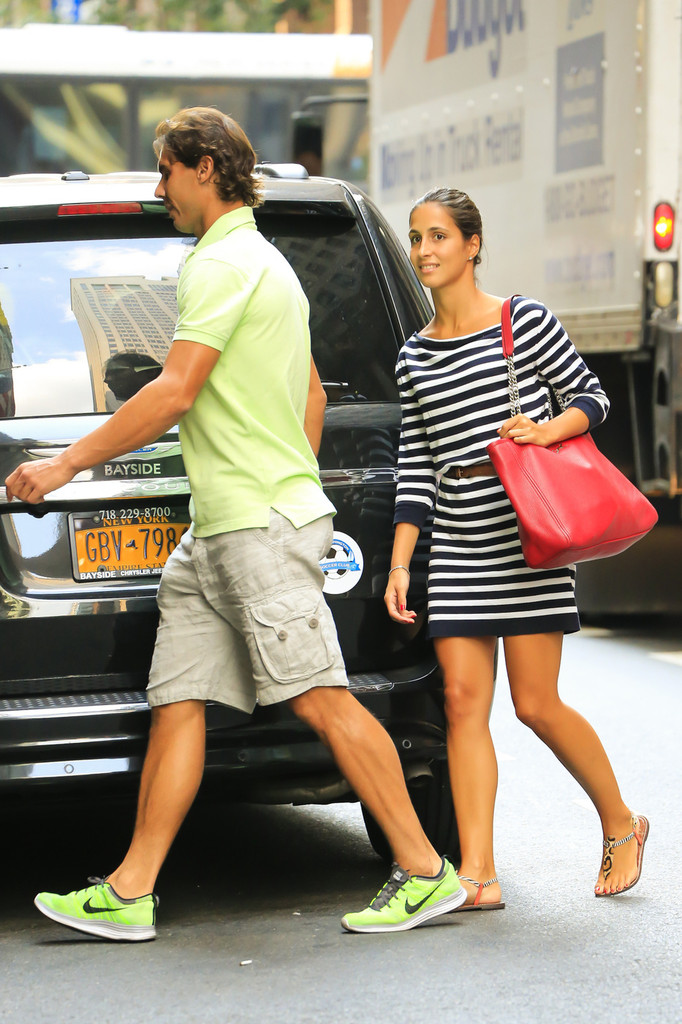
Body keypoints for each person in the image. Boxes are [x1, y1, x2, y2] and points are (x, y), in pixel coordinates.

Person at [5, 110, 466, 941]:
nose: (158, 190)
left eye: (166, 172)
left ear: (206, 168)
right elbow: (315, 396)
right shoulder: (271, 264)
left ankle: (427, 871)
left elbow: (175, 390)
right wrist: (286, 474)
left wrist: (65, 464)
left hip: (254, 526)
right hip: (218, 530)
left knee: (321, 697)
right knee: (177, 701)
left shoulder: (219, 264)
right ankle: (131, 889)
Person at [385, 186, 649, 911]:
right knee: (464, 704)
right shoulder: (414, 355)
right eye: (415, 238)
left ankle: (622, 824)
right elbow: (415, 462)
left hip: (526, 536)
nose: (424, 251)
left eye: (438, 236)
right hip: (459, 543)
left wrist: (544, 430)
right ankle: (478, 873)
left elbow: (592, 399)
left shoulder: (523, 322)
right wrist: (404, 561)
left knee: (535, 704)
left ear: (472, 245)